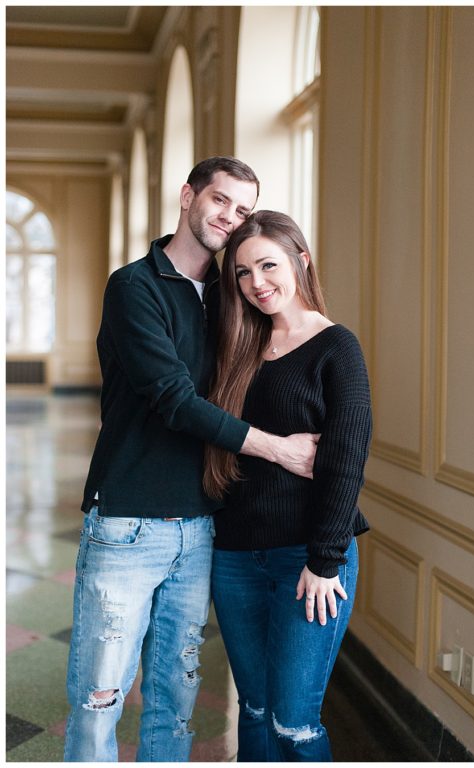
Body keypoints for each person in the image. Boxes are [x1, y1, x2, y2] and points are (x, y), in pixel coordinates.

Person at [64, 157, 320, 762]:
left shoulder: (235, 297)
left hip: (203, 525)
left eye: (242, 208)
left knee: (175, 702)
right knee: (99, 698)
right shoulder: (135, 286)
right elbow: (172, 400)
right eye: (220, 201)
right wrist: (276, 447)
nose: (230, 218)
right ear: (188, 197)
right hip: (127, 521)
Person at [203, 210, 372, 761]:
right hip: (233, 554)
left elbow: (345, 463)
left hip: (307, 559)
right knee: (252, 709)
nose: (257, 284)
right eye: (243, 273)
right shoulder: (239, 347)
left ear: (301, 260)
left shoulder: (336, 347)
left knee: (293, 724)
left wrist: (324, 561)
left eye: (269, 265)